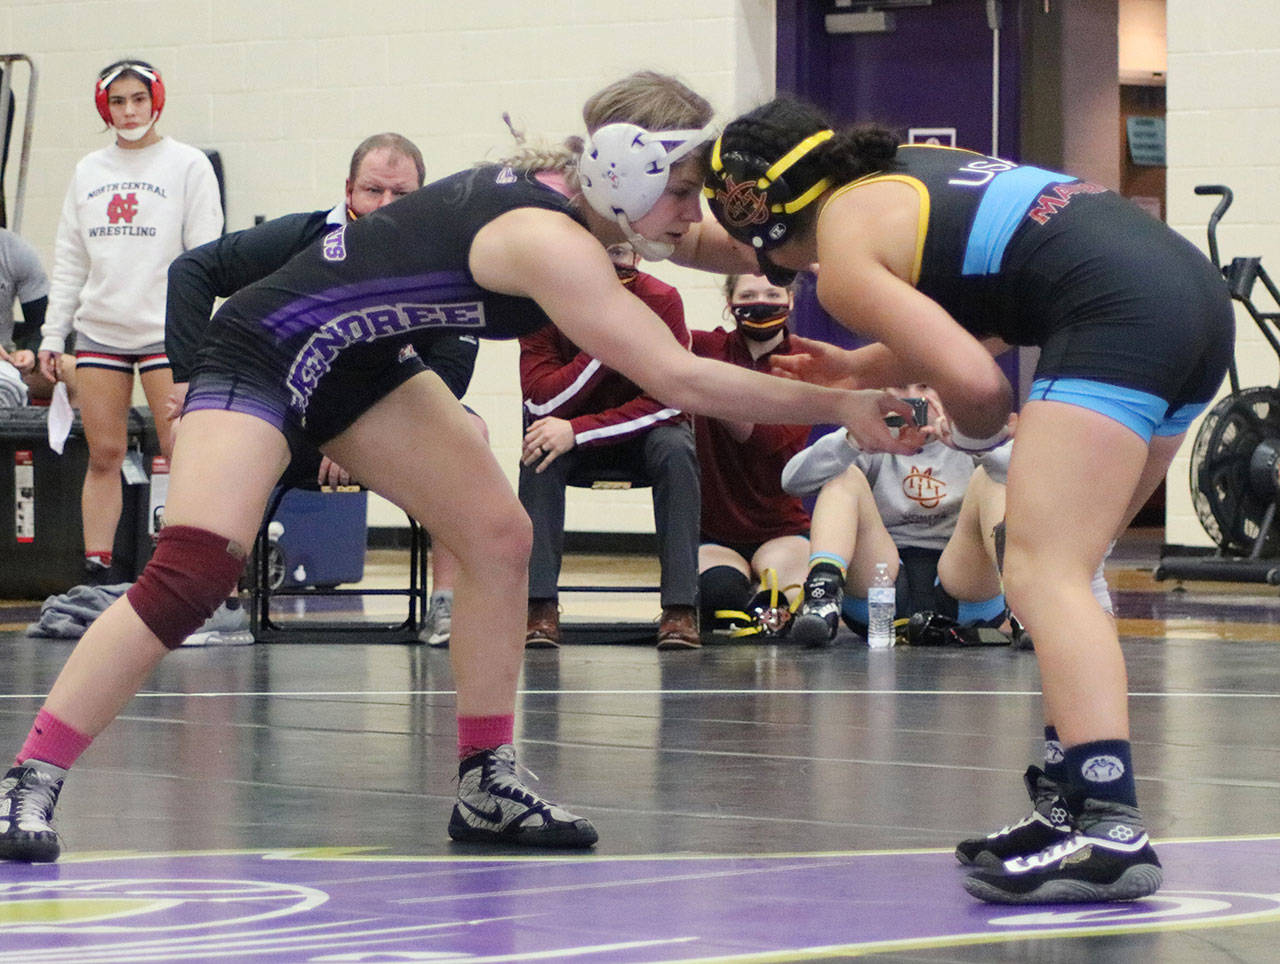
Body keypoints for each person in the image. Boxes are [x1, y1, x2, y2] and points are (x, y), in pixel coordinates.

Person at [0, 72, 923, 863]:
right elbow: (680, 375)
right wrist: (842, 403)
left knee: (496, 534)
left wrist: (870, 222)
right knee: (192, 576)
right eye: (683, 194)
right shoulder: (548, 239)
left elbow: (741, 243)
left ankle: (486, 780)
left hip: (357, 366)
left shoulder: (589, 191)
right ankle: (27, 777)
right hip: (265, 352)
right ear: (627, 173)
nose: (692, 219)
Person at [704, 97, 1233, 904]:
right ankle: (1072, 802)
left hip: (1116, 314)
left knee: (1040, 570)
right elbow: (993, 308)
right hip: (1188, 299)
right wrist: (855, 371)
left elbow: (979, 385)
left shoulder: (843, 261)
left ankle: (1111, 828)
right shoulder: (900, 171)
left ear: (754, 218)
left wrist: (977, 440)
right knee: (1070, 575)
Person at [165, 132, 488, 648]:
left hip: (383, 422)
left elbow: (451, 368)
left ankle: (446, 606)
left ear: (424, 196)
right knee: (189, 430)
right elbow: (192, 269)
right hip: (287, 420)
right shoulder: (302, 239)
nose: (386, 206)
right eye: (373, 191)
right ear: (348, 192)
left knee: (471, 427)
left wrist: (355, 423)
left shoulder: (445, 258)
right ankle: (217, 601)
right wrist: (190, 379)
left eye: (402, 195)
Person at [37, 59, 223, 585]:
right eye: (117, 101)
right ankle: (97, 571)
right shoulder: (87, 171)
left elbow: (207, 256)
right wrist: (54, 334)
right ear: (104, 108)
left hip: (168, 333)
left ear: (155, 99)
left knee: (182, 453)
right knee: (105, 453)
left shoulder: (188, 166)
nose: (129, 110)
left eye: (137, 98)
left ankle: (190, 568)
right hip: (101, 331)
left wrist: (200, 332)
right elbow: (70, 258)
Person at [519, 240, 701, 650]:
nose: (609, 264)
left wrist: (580, 429)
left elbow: (671, 401)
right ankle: (538, 604)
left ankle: (680, 608)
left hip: (641, 436)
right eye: (598, 253)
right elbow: (541, 401)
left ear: (637, 256)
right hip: (567, 438)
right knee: (538, 449)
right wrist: (607, 343)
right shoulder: (540, 304)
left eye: (618, 253)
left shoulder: (662, 299)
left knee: (677, 448)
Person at [781, 385, 1014, 648]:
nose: (915, 399)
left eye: (926, 387)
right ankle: (822, 596)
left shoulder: (970, 432)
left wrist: (973, 443)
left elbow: (1031, 477)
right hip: (879, 588)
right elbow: (791, 481)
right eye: (901, 386)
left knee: (991, 478)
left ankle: (1023, 603)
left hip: (964, 586)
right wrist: (856, 439)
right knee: (844, 475)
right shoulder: (873, 436)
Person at [690, 273, 811, 638]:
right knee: (720, 600)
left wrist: (701, 385)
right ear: (730, 304)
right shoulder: (705, 348)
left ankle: (763, 595)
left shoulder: (805, 364)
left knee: (776, 603)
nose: (760, 302)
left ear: (790, 300)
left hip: (781, 530)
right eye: (748, 294)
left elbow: (760, 440)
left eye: (772, 293)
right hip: (713, 531)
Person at [0, 226, 53, 401]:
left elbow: (42, 322)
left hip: (5, 359)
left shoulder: (14, 250)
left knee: (73, 371)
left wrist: (31, 352)